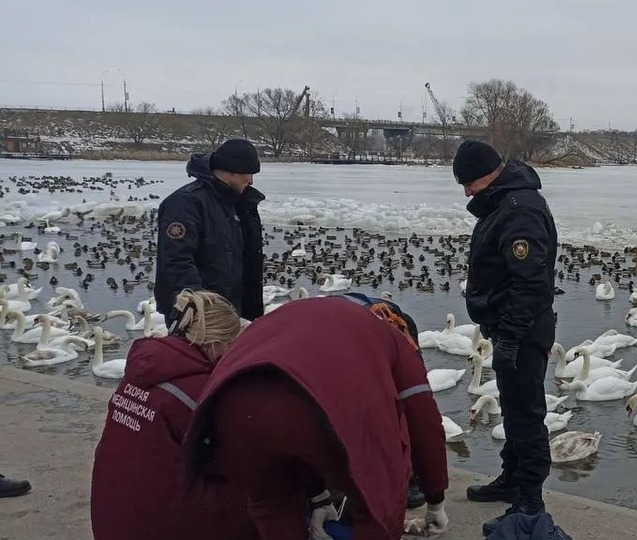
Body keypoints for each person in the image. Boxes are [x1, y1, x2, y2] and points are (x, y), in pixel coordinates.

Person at [183, 295, 451, 540]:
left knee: (273, 504)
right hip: (313, 410)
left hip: (232, 406)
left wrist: (318, 496)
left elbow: (284, 410)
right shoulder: (392, 337)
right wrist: (435, 499)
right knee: (378, 505)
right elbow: (424, 421)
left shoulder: (290, 315)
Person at [453, 140, 559, 536]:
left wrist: (511, 338)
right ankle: (512, 478)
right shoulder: (503, 201)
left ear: (491, 173)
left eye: (469, 183)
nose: (467, 192)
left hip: (524, 331)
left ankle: (530, 500)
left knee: (526, 415)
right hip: (510, 327)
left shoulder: (519, 210)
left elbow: (530, 286)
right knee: (513, 409)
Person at [90, 290, 257, 540]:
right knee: (268, 498)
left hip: (111, 521)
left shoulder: (137, 375)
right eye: (232, 344)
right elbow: (232, 463)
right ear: (216, 343)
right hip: (159, 526)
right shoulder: (199, 393)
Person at [154, 138, 266, 327]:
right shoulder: (185, 204)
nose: (251, 181)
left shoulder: (239, 202)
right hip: (198, 314)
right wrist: (201, 310)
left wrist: (250, 309)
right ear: (231, 171)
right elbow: (176, 262)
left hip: (231, 309)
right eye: (248, 174)